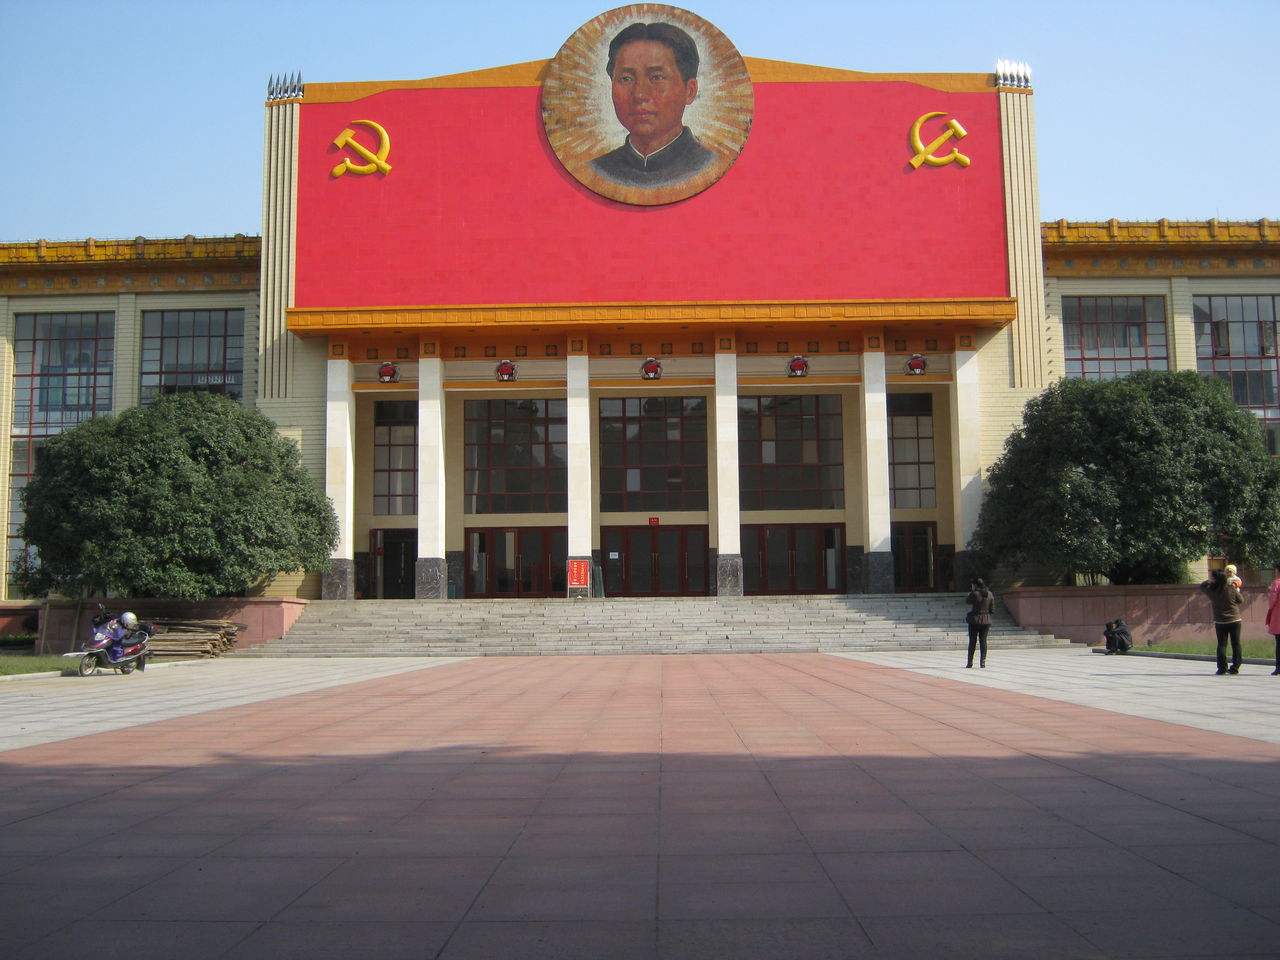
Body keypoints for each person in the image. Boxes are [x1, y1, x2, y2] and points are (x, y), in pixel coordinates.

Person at [590, 21, 715, 188]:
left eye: (657, 77)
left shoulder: (708, 165)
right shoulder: (597, 170)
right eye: (626, 79)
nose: (639, 95)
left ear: (690, 91)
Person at [1200, 568, 1244, 675]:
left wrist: (1210, 581)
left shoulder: (1211, 590)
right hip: (1235, 620)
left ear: (1214, 579)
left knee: (1222, 645)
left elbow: (1202, 586)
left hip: (1220, 622)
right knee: (1236, 644)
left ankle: (1222, 668)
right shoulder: (1231, 588)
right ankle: (1235, 668)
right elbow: (1241, 600)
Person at [965, 578, 995, 668]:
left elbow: (967, 601)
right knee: (983, 641)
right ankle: (983, 662)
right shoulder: (990, 594)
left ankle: (970, 662)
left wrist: (972, 592)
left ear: (975, 585)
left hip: (975, 620)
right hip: (986, 620)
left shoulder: (975, 594)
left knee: (972, 641)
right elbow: (992, 609)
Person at [1265, 564, 1280, 676]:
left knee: (1279, 643)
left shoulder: (1276, 583)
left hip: (1278, 616)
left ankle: (1278, 667)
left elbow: (1272, 602)